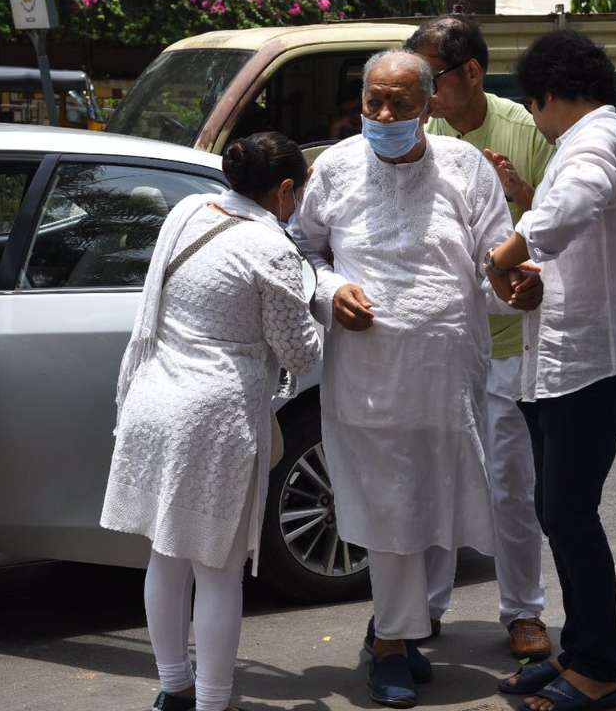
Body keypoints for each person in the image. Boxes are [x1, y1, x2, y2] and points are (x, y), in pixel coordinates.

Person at [290, 49, 519, 708]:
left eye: (401, 103)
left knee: (431, 502)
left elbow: (493, 256)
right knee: (388, 505)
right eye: (374, 103)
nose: (385, 115)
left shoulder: (465, 168)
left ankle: (402, 628)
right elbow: (303, 251)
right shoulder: (332, 169)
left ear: (429, 105)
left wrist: (515, 285)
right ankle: (392, 642)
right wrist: (330, 292)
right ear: (360, 102)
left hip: (447, 370)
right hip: (366, 376)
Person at [100, 132, 321, 711]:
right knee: (218, 570)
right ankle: (212, 702)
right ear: (285, 189)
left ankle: (174, 687)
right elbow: (299, 354)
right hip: (214, 418)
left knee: (167, 558)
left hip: (154, 401)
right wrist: (320, 302)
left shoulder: (187, 210)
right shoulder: (268, 247)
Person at [483, 30, 616, 711]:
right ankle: (577, 652)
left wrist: (503, 258)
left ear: (548, 96)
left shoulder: (595, 142)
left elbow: (570, 207)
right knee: (560, 513)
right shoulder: (590, 139)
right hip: (564, 360)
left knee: (569, 514)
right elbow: (573, 249)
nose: (539, 123)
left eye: (536, 108)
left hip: (592, 366)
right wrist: (534, 282)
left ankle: (598, 670)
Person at [404, 12, 556, 662]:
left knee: (509, 485)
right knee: (435, 478)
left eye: (428, 79)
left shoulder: (528, 133)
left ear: (471, 73)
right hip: (442, 340)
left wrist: (521, 195)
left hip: (514, 338)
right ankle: (424, 609)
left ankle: (523, 611)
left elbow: (570, 233)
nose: (420, 93)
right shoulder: (420, 135)